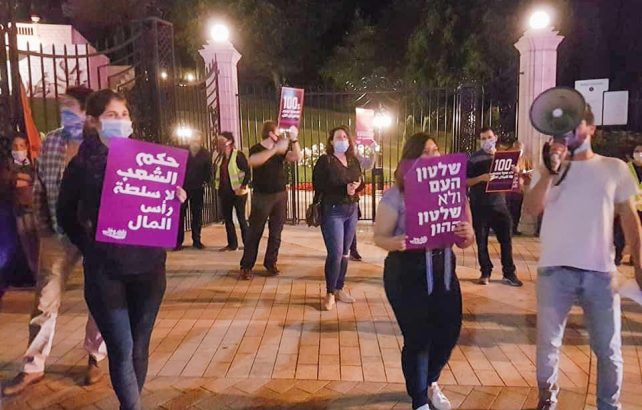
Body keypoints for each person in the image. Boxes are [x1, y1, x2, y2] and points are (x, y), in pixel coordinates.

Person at [56, 89, 186, 410]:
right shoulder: (81, 165)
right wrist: (90, 245)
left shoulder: (149, 161)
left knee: (139, 348)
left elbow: (166, 222)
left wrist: (176, 201)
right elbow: (65, 214)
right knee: (121, 349)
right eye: (112, 115)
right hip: (106, 273)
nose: (121, 121)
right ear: (94, 121)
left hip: (149, 269)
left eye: (124, 114)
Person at [524, 105, 642, 410]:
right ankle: (547, 398)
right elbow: (532, 209)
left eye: (576, 124)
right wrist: (549, 172)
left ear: (591, 129)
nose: (568, 131)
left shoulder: (614, 167)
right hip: (554, 272)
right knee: (548, 345)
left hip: (600, 273)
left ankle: (608, 405)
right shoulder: (548, 168)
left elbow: (630, 218)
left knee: (609, 349)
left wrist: (639, 264)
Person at [2, 87, 108, 397]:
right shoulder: (51, 141)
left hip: (96, 236)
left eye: (70, 106)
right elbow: (40, 187)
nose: (64, 112)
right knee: (45, 299)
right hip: (58, 234)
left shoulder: (103, 144)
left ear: (87, 113)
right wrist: (44, 228)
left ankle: (96, 357)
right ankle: (33, 365)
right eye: (63, 107)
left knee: (99, 298)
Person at [374, 133, 475, 410]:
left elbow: (465, 240)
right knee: (418, 338)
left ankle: (430, 381)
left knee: (449, 332)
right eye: (424, 152)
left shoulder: (453, 192)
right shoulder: (397, 195)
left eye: (435, 150)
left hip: (443, 270)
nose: (432, 155)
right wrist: (396, 242)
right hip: (407, 271)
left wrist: (468, 233)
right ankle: (419, 401)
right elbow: (379, 237)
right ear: (411, 159)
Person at [239, 121, 303, 280]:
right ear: (270, 134)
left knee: (276, 232)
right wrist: (275, 149)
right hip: (262, 196)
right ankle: (246, 266)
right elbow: (253, 161)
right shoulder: (257, 148)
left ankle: (270, 262)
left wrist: (294, 140)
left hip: (280, 195)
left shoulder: (281, 151)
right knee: (255, 232)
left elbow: (296, 157)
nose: (281, 135)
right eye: (278, 132)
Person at [312, 126, 363, 311]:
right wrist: (343, 188)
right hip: (333, 211)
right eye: (338, 137)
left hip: (351, 210)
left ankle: (339, 288)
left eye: (345, 137)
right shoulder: (325, 161)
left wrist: (357, 186)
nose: (342, 140)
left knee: (345, 253)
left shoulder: (353, 160)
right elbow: (318, 184)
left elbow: (360, 180)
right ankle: (330, 293)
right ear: (331, 141)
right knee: (335, 253)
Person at [466, 127, 522, 286]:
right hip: (480, 205)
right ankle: (485, 272)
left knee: (506, 240)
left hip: (499, 204)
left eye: (489, 137)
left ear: (495, 138)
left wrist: (515, 170)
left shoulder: (504, 157)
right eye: (483, 138)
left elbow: (513, 176)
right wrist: (481, 178)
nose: (487, 141)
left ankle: (509, 273)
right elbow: (466, 181)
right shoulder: (473, 159)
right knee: (481, 241)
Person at [214, 131, 250, 251]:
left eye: (222, 141)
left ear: (229, 142)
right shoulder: (220, 157)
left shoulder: (238, 155)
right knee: (228, 219)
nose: (219, 143)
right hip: (225, 192)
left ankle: (247, 244)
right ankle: (232, 244)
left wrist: (242, 186)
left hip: (238, 192)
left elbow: (247, 172)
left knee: (241, 218)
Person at [176, 130, 212, 250]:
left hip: (197, 188)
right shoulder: (182, 150)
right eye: (193, 140)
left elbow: (208, 170)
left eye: (198, 140)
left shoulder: (205, 154)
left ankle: (196, 240)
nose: (195, 142)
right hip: (183, 188)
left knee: (197, 215)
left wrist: (206, 181)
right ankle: (178, 242)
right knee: (180, 215)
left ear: (201, 141)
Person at [11, 135, 38, 283]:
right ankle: (35, 275)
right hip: (20, 210)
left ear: (26, 147)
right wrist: (23, 178)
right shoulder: (9, 167)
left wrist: (23, 178)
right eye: (15, 147)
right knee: (27, 245)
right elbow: (9, 181)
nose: (18, 149)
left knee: (39, 242)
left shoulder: (33, 164)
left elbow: (36, 178)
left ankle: (42, 274)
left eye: (21, 146)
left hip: (34, 208)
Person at [615, 144, 642, 265]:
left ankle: (636, 258)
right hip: (628, 206)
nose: (639, 154)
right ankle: (616, 258)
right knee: (621, 234)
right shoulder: (626, 168)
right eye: (637, 151)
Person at [506, 141, 532, 236]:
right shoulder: (508, 159)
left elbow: (530, 172)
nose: (519, 151)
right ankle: (507, 229)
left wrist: (521, 171)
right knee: (507, 210)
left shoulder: (525, 159)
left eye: (520, 149)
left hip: (519, 190)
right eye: (517, 149)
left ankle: (514, 229)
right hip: (508, 189)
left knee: (516, 210)